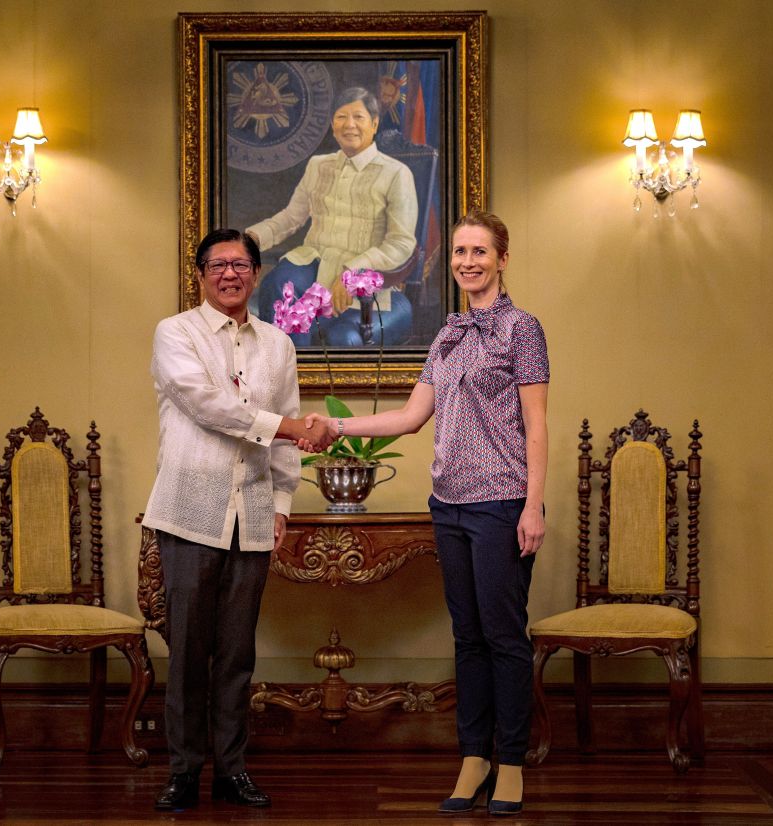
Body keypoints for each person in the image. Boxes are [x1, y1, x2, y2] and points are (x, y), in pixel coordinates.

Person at [302, 211, 549, 816]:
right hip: (449, 506)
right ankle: (474, 758)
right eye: (460, 251)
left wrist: (533, 504)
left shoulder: (524, 329)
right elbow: (410, 418)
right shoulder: (446, 336)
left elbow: (538, 426)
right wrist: (336, 425)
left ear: (502, 258)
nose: (467, 261)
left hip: (501, 501)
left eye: (479, 251)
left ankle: (510, 761)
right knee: (467, 639)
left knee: (503, 638)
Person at [143, 228, 336, 812]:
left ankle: (231, 770)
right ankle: (182, 772)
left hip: (251, 514)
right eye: (218, 264)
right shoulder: (175, 333)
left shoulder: (278, 345)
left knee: (235, 653)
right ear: (200, 273)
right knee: (187, 650)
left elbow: (286, 432)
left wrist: (281, 506)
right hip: (189, 511)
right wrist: (287, 427)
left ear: (256, 273)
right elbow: (207, 404)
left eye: (241, 264)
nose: (230, 274)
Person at [248, 86, 419, 346]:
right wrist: (250, 238)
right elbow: (292, 217)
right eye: (341, 117)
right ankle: (288, 376)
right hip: (314, 261)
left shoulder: (396, 173)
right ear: (332, 124)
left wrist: (355, 271)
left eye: (358, 117)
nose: (349, 125)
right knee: (279, 285)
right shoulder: (319, 165)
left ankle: (304, 375)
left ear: (374, 124)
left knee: (340, 337)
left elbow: (401, 243)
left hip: (363, 274)